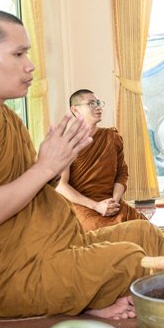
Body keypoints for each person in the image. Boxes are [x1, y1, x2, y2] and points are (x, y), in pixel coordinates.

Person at [0, 6, 164, 320]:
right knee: (130, 258)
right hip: (14, 272)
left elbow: (25, 188)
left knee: (145, 234)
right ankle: (154, 320)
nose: (30, 65)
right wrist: (46, 166)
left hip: (60, 245)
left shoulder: (4, 116)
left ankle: (116, 307)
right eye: (18, 54)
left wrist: (57, 162)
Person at [55, 89, 147, 232]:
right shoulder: (66, 142)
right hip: (82, 205)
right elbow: (60, 185)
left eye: (98, 103)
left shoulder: (112, 137)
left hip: (111, 203)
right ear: (75, 110)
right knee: (107, 232)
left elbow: (122, 173)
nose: (98, 107)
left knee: (146, 229)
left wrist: (114, 201)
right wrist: (96, 206)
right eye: (91, 103)